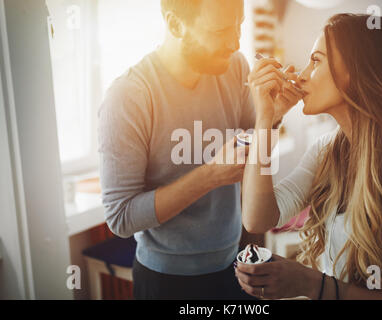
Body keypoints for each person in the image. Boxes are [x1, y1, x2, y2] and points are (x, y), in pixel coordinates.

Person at [97, 0, 302, 299]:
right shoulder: (128, 96)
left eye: (239, 25)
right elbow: (121, 219)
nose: (234, 42)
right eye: (220, 31)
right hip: (166, 281)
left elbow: (254, 146)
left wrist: (272, 115)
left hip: (235, 265)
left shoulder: (235, 68)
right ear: (176, 24)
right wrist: (210, 176)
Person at [235, 13, 382, 300]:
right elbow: (257, 218)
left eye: (316, 61)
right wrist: (267, 119)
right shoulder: (328, 150)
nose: (302, 74)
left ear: (358, 71)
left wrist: (313, 285)